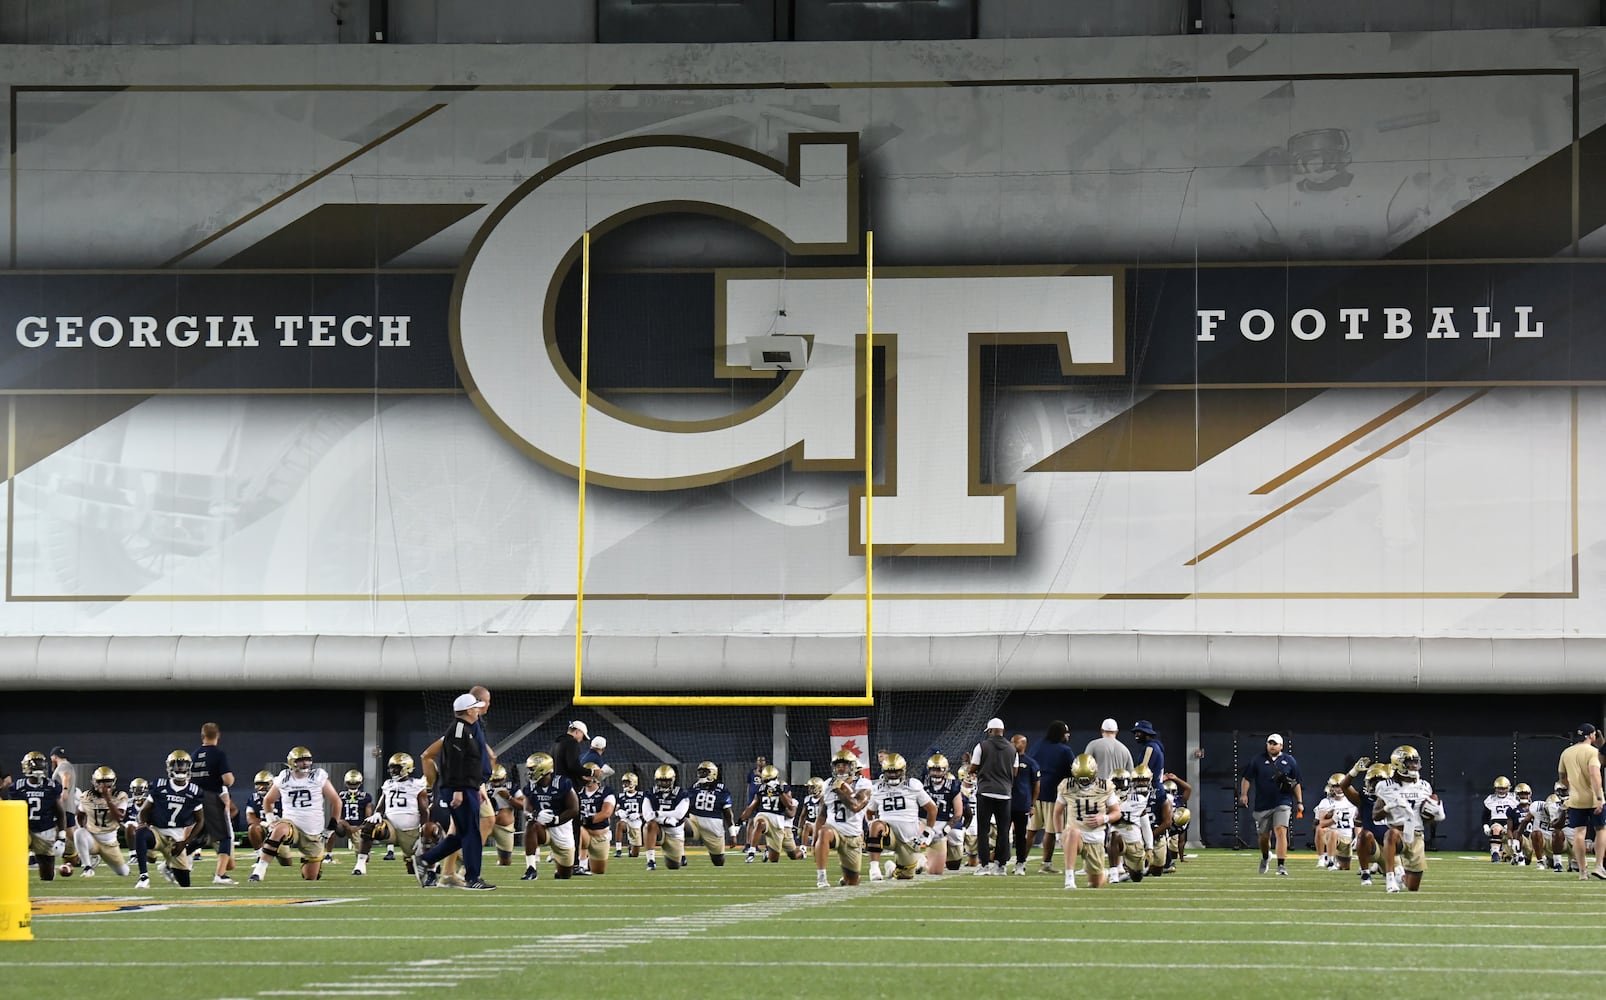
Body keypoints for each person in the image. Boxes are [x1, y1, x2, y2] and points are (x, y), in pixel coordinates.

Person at [416, 693, 496, 890]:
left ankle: (426, 860)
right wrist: (460, 790)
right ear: (468, 710)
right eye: (475, 707)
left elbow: (471, 763)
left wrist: (476, 785)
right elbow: (456, 762)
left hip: (467, 787)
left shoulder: (466, 728)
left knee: (462, 834)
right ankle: (472, 877)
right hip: (459, 788)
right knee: (471, 833)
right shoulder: (460, 729)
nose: (478, 710)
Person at [251, 746, 341, 883]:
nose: (305, 763)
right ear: (292, 762)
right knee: (280, 828)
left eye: (307, 760)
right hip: (291, 824)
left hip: (313, 832)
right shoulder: (284, 777)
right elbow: (268, 800)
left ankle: (314, 864)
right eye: (301, 760)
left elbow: (336, 801)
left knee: (310, 877)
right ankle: (259, 871)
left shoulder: (318, 776)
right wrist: (270, 820)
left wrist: (332, 826)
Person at [1374, 745, 1444, 892]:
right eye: (1409, 762)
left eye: (1415, 762)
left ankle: (1401, 878)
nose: (1414, 766)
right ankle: (1390, 878)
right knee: (1391, 834)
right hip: (1398, 832)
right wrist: (1388, 807)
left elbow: (1425, 819)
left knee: (1413, 887)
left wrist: (1435, 814)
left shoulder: (1425, 786)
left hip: (1417, 835)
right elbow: (1375, 816)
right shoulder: (1385, 786)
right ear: (1398, 763)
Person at [134, 750, 205, 889]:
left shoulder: (194, 791)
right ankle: (144, 877)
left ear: (189, 767)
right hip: (157, 833)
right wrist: (143, 824)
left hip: (176, 839)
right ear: (169, 767)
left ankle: (167, 867)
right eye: (177, 764)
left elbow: (200, 820)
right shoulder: (160, 786)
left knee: (185, 884)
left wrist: (185, 843)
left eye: (183, 764)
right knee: (141, 833)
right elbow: (144, 811)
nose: (180, 767)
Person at [1053, 752, 1121, 889]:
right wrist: (1059, 835)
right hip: (1076, 835)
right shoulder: (1066, 785)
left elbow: (1117, 813)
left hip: (1095, 837)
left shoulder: (1105, 786)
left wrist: (1104, 818)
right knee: (1073, 832)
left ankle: (1101, 874)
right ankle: (1069, 879)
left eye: (1086, 779)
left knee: (1095, 884)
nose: (1083, 782)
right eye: (1081, 779)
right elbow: (1057, 812)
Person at [355, 753, 429, 876]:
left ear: (407, 768)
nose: (392, 770)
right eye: (391, 767)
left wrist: (423, 829)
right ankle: (360, 864)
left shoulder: (417, 785)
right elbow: (381, 804)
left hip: (411, 831)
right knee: (369, 826)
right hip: (391, 828)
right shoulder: (388, 784)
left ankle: (431, 865)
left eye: (396, 767)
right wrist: (377, 814)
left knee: (413, 870)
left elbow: (424, 810)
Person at [1238, 733, 1301, 876]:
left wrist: (1300, 802)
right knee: (1264, 837)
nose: (1272, 746)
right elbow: (1247, 778)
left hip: (1283, 802)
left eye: (1275, 744)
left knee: (1280, 830)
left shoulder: (1289, 761)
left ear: (1281, 746)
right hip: (1262, 804)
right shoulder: (1257, 760)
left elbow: (1296, 783)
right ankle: (1266, 857)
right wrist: (1244, 794)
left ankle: (1281, 865)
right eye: (1269, 743)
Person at [815, 748, 872, 888]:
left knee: (852, 882)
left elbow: (855, 806)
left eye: (844, 765)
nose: (840, 768)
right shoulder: (828, 783)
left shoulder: (864, 784)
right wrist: (816, 837)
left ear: (852, 767)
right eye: (837, 765)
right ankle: (821, 877)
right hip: (834, 829)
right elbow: (822, 813)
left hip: (853, 835)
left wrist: (840, 789)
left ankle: (848, 876)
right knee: (824, 833)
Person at [4, 751, 65, 882]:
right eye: (34, 765)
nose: (38, 767)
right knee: (13, 857)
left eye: (40, 764)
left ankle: (39, 859)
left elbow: (59, 811)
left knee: (47, 876)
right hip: (23, 829)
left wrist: (62, 836)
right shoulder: (17, 787)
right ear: (26, 767)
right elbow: (12, 812)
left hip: (45, 829)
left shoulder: (51, 786)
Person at [517, 752, 579, 880]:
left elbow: (574, 809)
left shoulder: (562, 783)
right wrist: (533, 816)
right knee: (531, 825)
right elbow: (526, 810)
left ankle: (558, 862)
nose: (529, 772)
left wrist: (556, 819)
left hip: (562, 831)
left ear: (543, 769)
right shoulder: (531, 786)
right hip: (543, 829)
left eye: (532, 769)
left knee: (564, 875)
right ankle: (531, 869)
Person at [968, 718, 1017, 875]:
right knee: (1003, 830)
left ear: (990, 731)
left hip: (986, 791)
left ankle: (984, 867)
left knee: (983, 830)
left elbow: (973, 767)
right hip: (1005, 793)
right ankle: (1000, 866)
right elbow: (1015, 772)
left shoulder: (982, 746)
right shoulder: (1012, 748)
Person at [1557, 723, 1606, 880]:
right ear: (1591, 735)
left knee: (1579, 833)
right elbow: (1594, 775)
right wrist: (1599, 797)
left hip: (1576, 799)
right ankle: (1598, 866)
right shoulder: (1593, 752)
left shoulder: (1566, 752)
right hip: (1593, 797)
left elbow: (1562, 778)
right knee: (1601, 830)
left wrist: (1572, 789)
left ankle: (1582, 872)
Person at [190, 723, 237, 884]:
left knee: (200, 838)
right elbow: (228, 780)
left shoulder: (194, 755)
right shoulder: (218, 754)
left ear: (202, 736)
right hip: (211, 798)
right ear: (218, 735)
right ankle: (220, 875)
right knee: (225, 837)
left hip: (193, 799)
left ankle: (170, 862)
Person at [1031, 721, 1077, 873]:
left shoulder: (1038, 744)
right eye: (1066, 733)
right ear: (1060, 734)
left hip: (1035, 792)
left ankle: (1020, 862)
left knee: (1031, 830)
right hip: (1053, 794)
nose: (1068, 735)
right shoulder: (1065, 750)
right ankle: (1046, 864)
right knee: (1050, 832)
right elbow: (1074, 771)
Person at [72, 766, 130, 878]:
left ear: (113, 782)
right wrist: (84, 829)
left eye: (107, 781)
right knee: (79, 833)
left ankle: (99, 857)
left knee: (124, 872)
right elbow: (79, 814)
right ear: (95, 782)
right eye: (101, 782)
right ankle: (87, 867)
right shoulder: (86, 796)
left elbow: (120, 817)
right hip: (93, 839)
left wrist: (108, 799)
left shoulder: (120, 796)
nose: (104, 785)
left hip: (110, 843)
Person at [740, 764, 802, 863]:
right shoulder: (761, 789)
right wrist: (740, 820)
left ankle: (800, 853)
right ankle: (752, 851)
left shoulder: (784, 790)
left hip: (782, 827)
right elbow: (751, 807)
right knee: (760, 823)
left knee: (783, 857)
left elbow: (791, 812)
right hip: (766, 818)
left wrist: (779, 792)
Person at [686, 761, 735, 868]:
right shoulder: (694, 787)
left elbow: (728, 813)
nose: (701, 775)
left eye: (705, 772)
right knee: (678, 825)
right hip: (695, 821)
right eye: (700, 772)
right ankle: (680, 855)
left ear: (713, 773)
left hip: (713, 826)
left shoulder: (721, 789)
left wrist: (733, 833)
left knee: (718, 862)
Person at [643, 764, 689, 871]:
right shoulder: (650, 793)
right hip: (659, 828)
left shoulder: (681, 793)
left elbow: (679, 814)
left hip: (675, 832)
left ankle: (680, 853)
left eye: (666, 781)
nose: (663, 784)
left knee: (673, 866)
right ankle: (651, 861)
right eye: (660, 781)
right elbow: (647, 815)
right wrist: (664, 818)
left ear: (672, 780)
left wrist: (657, 814)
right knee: (649, 825)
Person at [922, 755, 963, 873]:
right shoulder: (922, 784)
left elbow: (958, 813)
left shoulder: (953, 786)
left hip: (945, 821)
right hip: (925, 821)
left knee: (954, 865)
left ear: (945, 770)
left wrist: (945, 831)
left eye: (938, 770)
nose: (935, 773)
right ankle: (918, 860)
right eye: (933, 770)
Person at [1007, 734, 1039, 876]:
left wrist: (1032, 804)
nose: (1012, 744)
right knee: (1002, 835)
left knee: (1020, 836)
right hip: (1005, 803)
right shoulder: (1006, 760)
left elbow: (1036, 784)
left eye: (1015, 742)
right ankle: (999, 863)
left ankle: (1021, 863)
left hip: (1022, 805)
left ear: (1023, 744)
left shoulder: (1031, 763)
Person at [577, 762, 616, 875]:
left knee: (599, 871)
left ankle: (588, 862)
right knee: (578, 829)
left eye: (588, 775)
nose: (585, 778)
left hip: (600, 835)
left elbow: (606, 812)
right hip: (583, 832)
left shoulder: (606, 792)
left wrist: (587, 820)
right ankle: (582, 864)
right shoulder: (577, 792)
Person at [49, 746, 77, 865]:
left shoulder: (63, 766)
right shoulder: (68, 764)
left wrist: (64, 791)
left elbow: (65, 776)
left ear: (54, 757)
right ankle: (77, 855)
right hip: (67, 806)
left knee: (59, 832)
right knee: (69, 833)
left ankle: (82, 853)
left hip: (63, 806)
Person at [1483, 776, 1520, 864]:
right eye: (1499, 788)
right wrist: (1486, 826)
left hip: (1511, 823)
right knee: (1496, 829)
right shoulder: (1490, 799)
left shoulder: (1514, 798)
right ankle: (1495, 853)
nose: (1501, 791)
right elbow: (1485, 816)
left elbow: (1519, 813)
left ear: (1508, 788)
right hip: (1497, 823)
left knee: (1510, 855)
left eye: (1503, 788)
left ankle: (1515, 853)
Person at [1083, 719, 1133, 784]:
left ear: (1101, 730)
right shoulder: (1125, 749)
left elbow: (1084, 769)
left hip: (1099, 791)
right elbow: (1131, 774)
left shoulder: (1093, 745)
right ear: (1117, 731)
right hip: (1118, 791)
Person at [613, 773, 647, 859]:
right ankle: (618, 850)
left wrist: (639, 814)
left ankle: (631, 847)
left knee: (634, 854)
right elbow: (615, 810)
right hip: (626, 820)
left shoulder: (642, 796)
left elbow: (648, 811)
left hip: (636, 822)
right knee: (620, 824)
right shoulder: (620, 796)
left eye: (627, 782)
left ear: (633, 782)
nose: (625, 785)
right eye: (624, 782)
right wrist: (619, 812)